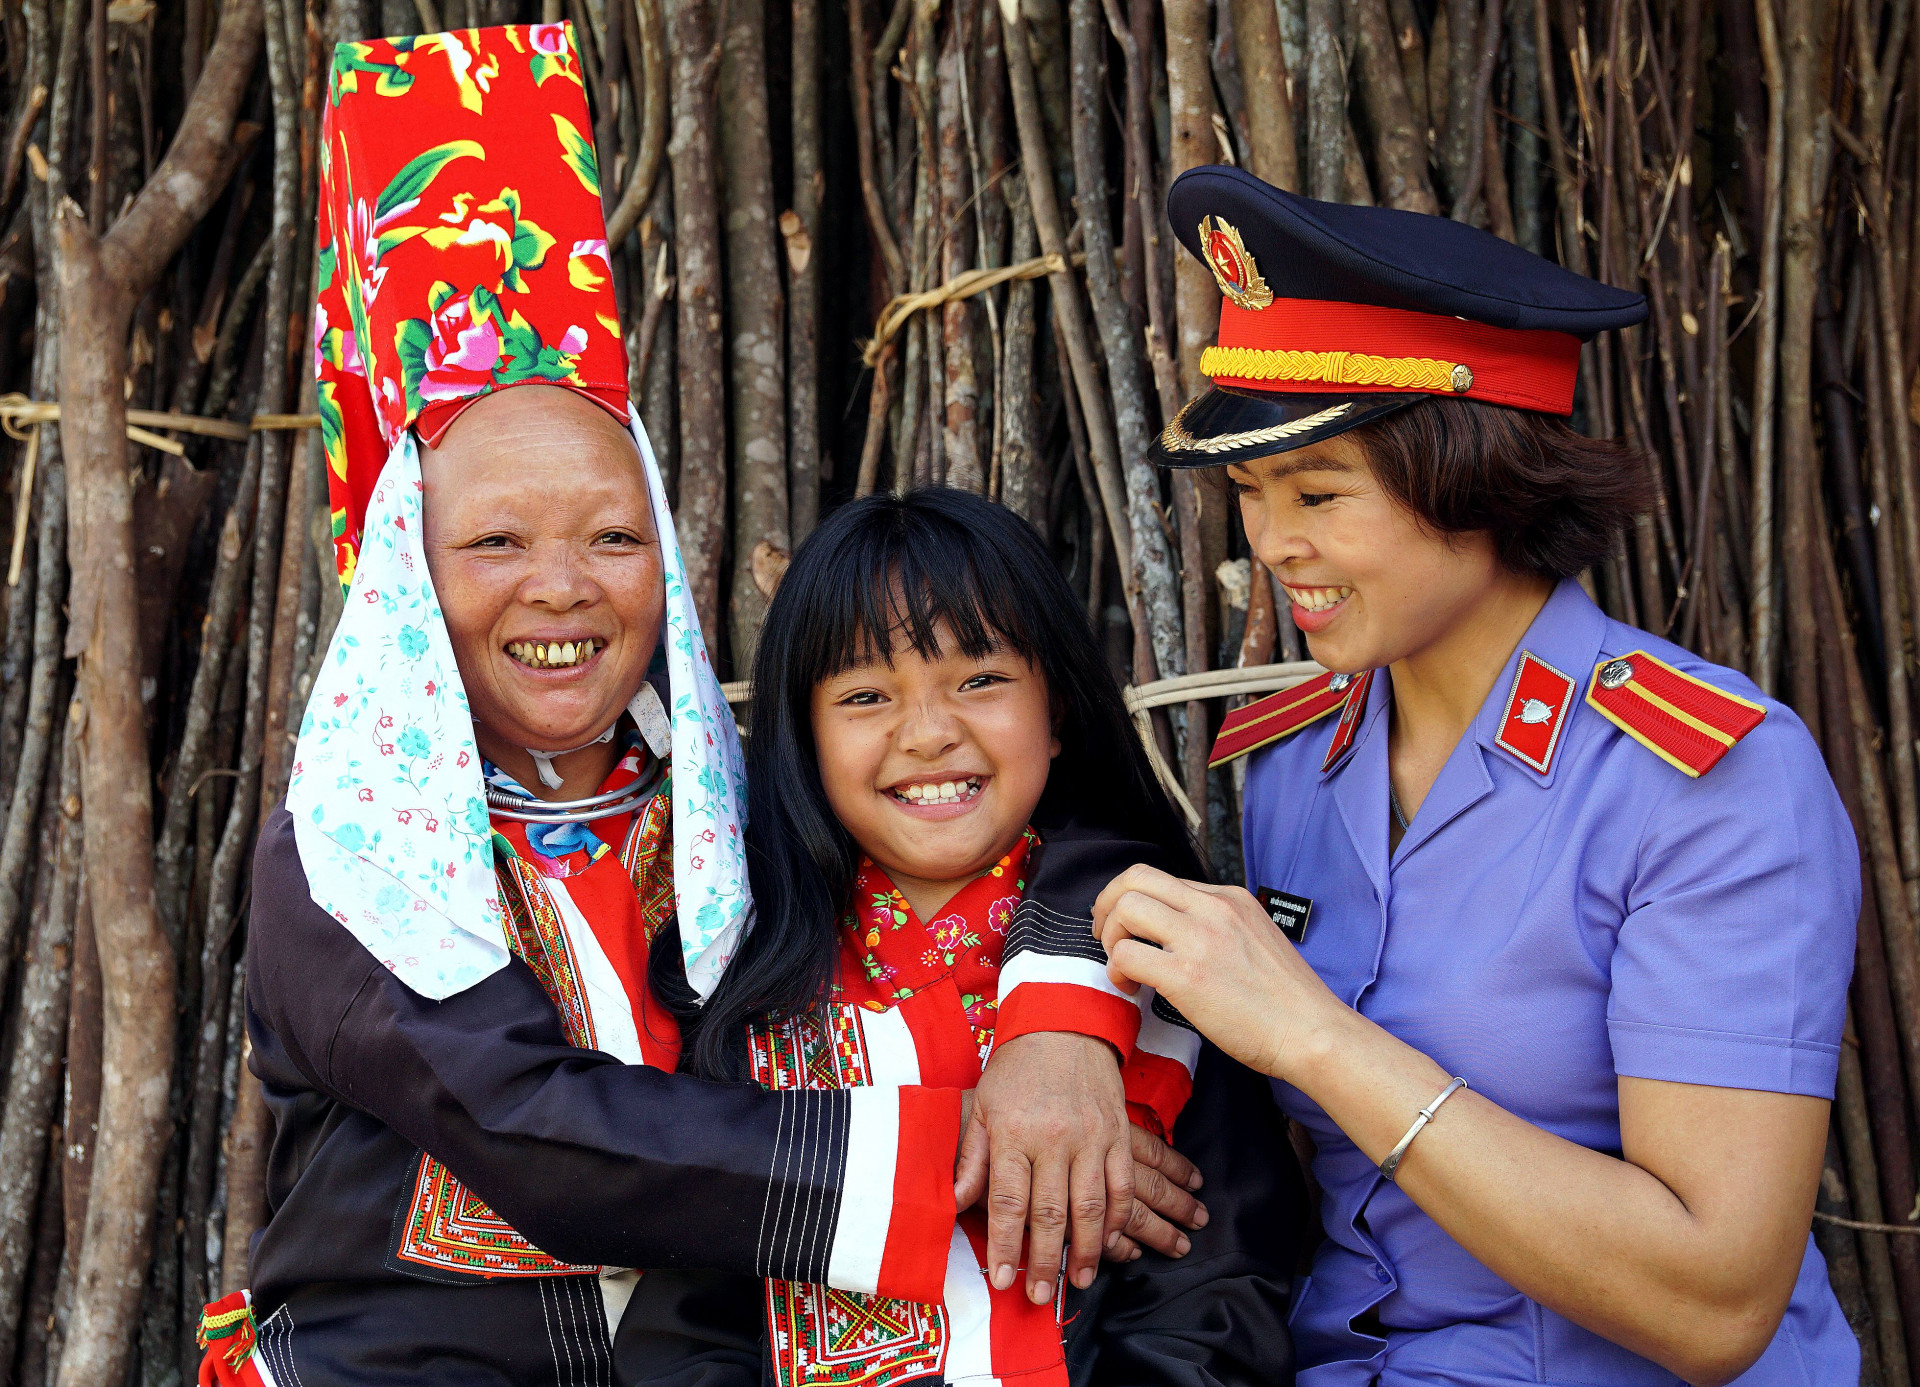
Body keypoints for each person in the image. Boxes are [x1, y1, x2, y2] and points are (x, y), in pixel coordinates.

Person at [195, 26, 1192, 1386]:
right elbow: (535, 1128)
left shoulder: (717, 802)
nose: (562, 588)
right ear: (407, 583)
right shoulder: (347, 858)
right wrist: (976, 1142)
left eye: (609, 536)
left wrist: (1061, 1021)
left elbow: (1040, 818)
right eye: (495, 543)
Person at [1092, 165, 1861, 1386]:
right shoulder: (1293, 763)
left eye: (1321, 491)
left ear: (1474, 473)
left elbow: (1716, 1306)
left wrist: (1313, 1035)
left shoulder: (1706, 784)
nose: (1276, 544)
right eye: (1251, 492)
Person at [616, 489, 1301, 1387]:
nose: (930, 733)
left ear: (1056, 711)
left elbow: (1222, 1300)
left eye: (980, 680)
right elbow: (692, 1335)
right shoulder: (744, 997)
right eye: (865, 694)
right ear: (804, 739)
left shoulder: (1168, 980)